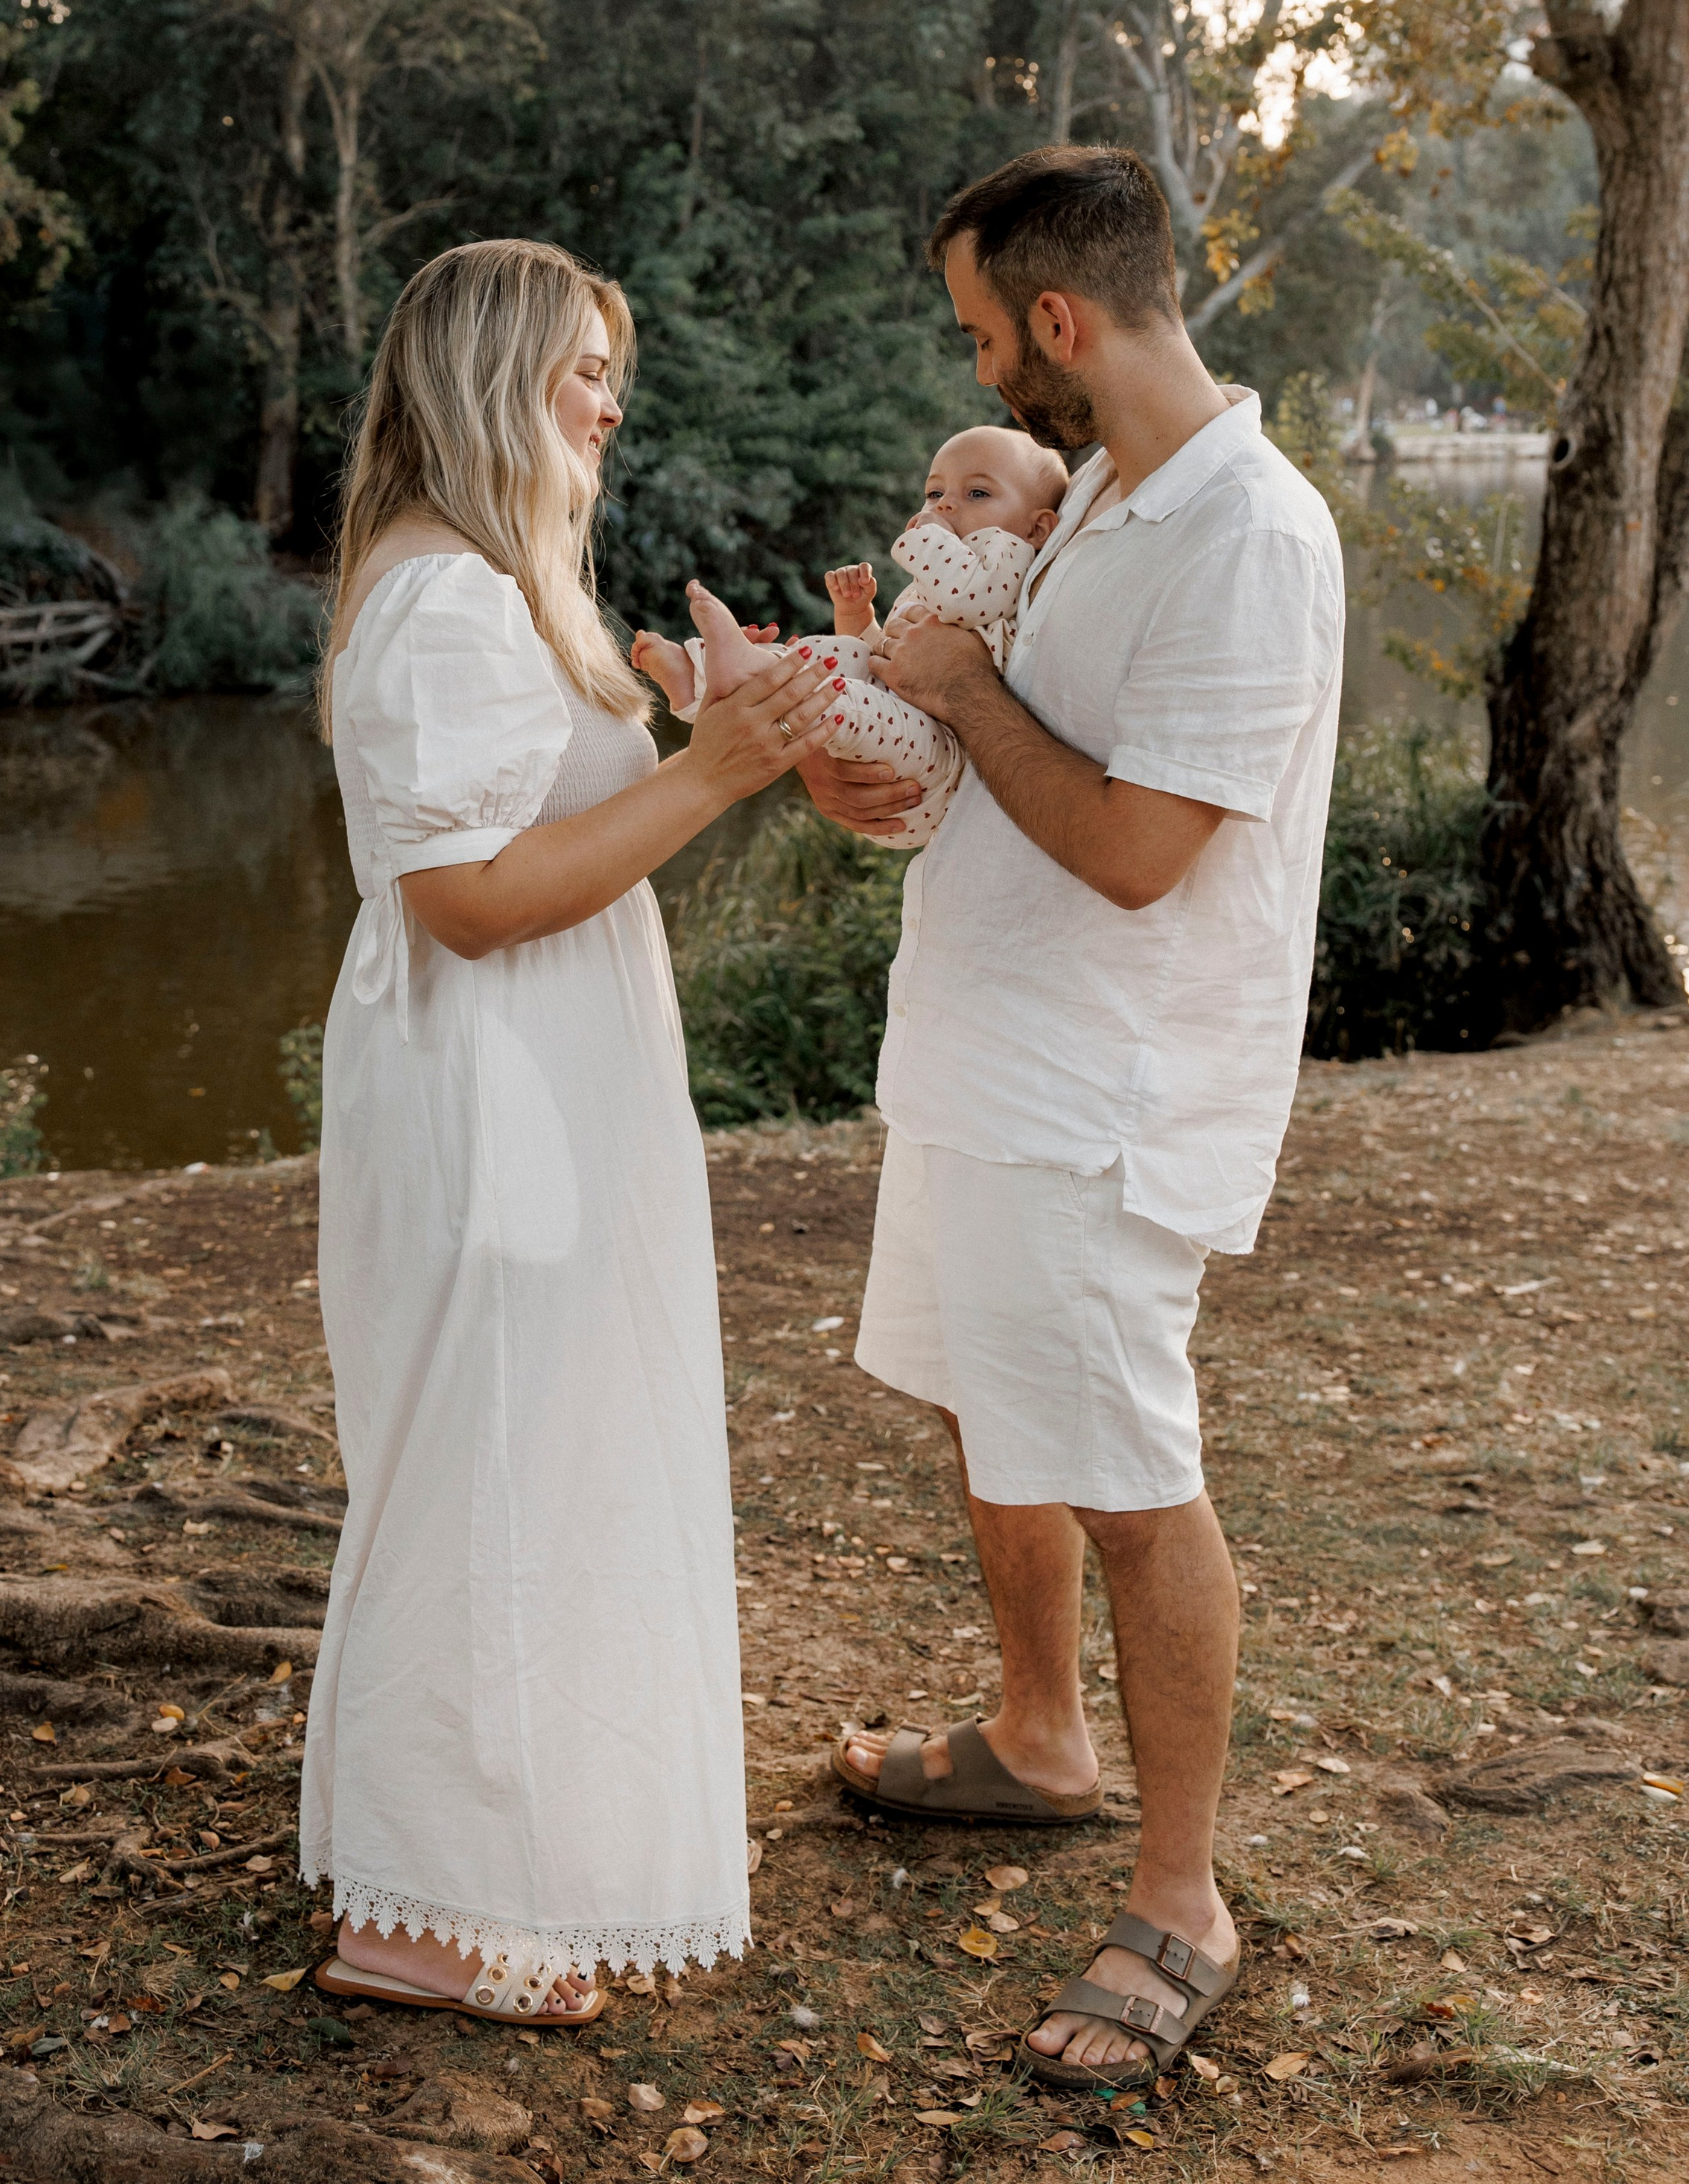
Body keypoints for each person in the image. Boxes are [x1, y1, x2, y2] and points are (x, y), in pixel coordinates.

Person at [803, 146, 1344, 2092]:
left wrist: (963, 682)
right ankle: (1040, 1737)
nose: (976, 370)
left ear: (1056, 320)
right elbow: (1009, 750)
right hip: (978, 1062)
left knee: (1130, 1477)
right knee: (986, 1404)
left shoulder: (1247, 538)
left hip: (1109, 1099)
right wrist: (887, 749)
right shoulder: (1092, 493)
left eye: (978, 331)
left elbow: (1134, 849)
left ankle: (1184, 1897)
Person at [298, 239, 839, 2027]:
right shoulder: (447, 592)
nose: (608, 402)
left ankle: (484, 1862)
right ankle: (421, 1909)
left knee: (534, 1444)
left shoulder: (499, 580)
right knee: (493, 1455)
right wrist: (708, 773)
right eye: (576, 370)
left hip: (550, 1069)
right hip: (496, 1081)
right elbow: (460, 892)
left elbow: (542, 797)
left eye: (611, 370)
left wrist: (685, 713)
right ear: (486, 381)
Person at [632, 426, 1067, 847]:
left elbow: (969, 601)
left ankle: (754, 674)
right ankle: (702, 677)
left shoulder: (1006, 553)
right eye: (935, 493)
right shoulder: (946, 573)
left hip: (941, 768)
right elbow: (885, 659)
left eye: (977, 493)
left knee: (845, 697)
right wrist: (857, 616)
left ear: (1038, 528)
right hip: (899, 725)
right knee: (834, 655)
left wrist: (927, 535)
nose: (946, 506)